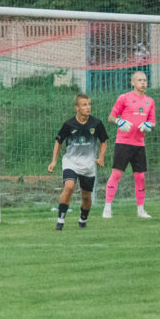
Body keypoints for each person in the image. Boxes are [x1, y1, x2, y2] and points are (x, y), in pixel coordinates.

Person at [47, 93, 109, 230]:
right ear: (77, 108)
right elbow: (58, 142)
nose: (88, 107)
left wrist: (101, 157)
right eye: (84, 105)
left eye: (89, 104)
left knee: (86, 197)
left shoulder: (96, 123)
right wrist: (54, 161)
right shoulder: (69, 124)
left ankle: (83, 219)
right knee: (69, 187)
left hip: (88, 165)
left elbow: (103, 141)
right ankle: (60, 222)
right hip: (71, 162)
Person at [103, 70, 155, 218]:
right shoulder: (124, 98)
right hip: (123, 143)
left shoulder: (149, 101)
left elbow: (153, 122)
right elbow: (111, 117)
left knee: (140, 177)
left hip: (139, 145)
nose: (143, 83)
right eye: (139, 80)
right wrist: (119, 121)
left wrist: (148, 126)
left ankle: (141, 210)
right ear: (133, 83)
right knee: (117, 174)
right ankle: (107, 208)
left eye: (145, 80)